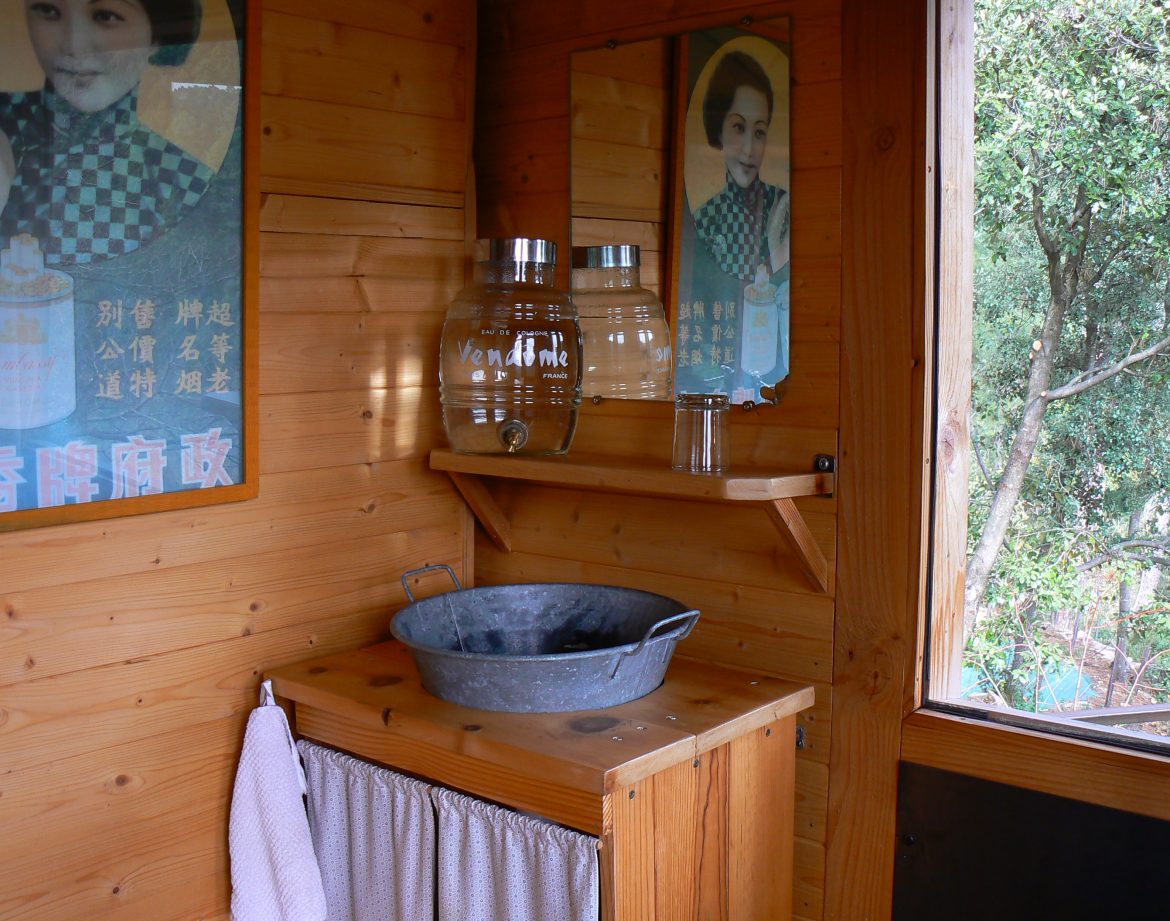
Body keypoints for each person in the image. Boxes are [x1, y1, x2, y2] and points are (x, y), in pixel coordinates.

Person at [0, 0, 213, 265]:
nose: (73, 46)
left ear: (156, 37)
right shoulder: (7, 128)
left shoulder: (182, 178)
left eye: (105, 15)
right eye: (48, 10)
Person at [692, 50, 790, 281]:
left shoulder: (785, 206)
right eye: (738, 127)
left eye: (759, 132)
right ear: (719, 130)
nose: (749, 149)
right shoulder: (705, 219)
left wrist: (776, 242)